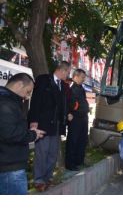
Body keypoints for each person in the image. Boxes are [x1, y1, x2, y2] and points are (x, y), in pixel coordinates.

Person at [28, 61, 71, 192]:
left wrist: (66, 115)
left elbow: (63, 104)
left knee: (52, 153)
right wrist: (34, 120)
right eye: (68, 72)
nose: (68, 75)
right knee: (42, 152)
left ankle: (47, 178)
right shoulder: (43, 80)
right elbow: (35, 101)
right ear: (62, 70)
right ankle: (39, 180)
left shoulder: (64, 86)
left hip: (57, 125)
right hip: (43, 124)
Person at [0, 73, 45, 195]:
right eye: (28, 91)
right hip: (10, 167)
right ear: (19, 85)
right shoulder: (5, 103)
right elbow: (10, 133)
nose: (28, 96)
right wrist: (33, 135)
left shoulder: (9, 100)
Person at [65, 69, 89, 171]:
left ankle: (79, 161)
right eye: (82, 77)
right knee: (73, 141)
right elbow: (68, 103)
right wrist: (70, 112)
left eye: (84, 77)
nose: (84, 79)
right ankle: (70, 164)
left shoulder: (81, 88)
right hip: (75, 118)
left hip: (83, 118)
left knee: (82, 140)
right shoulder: (71, 88)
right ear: (76, 76)